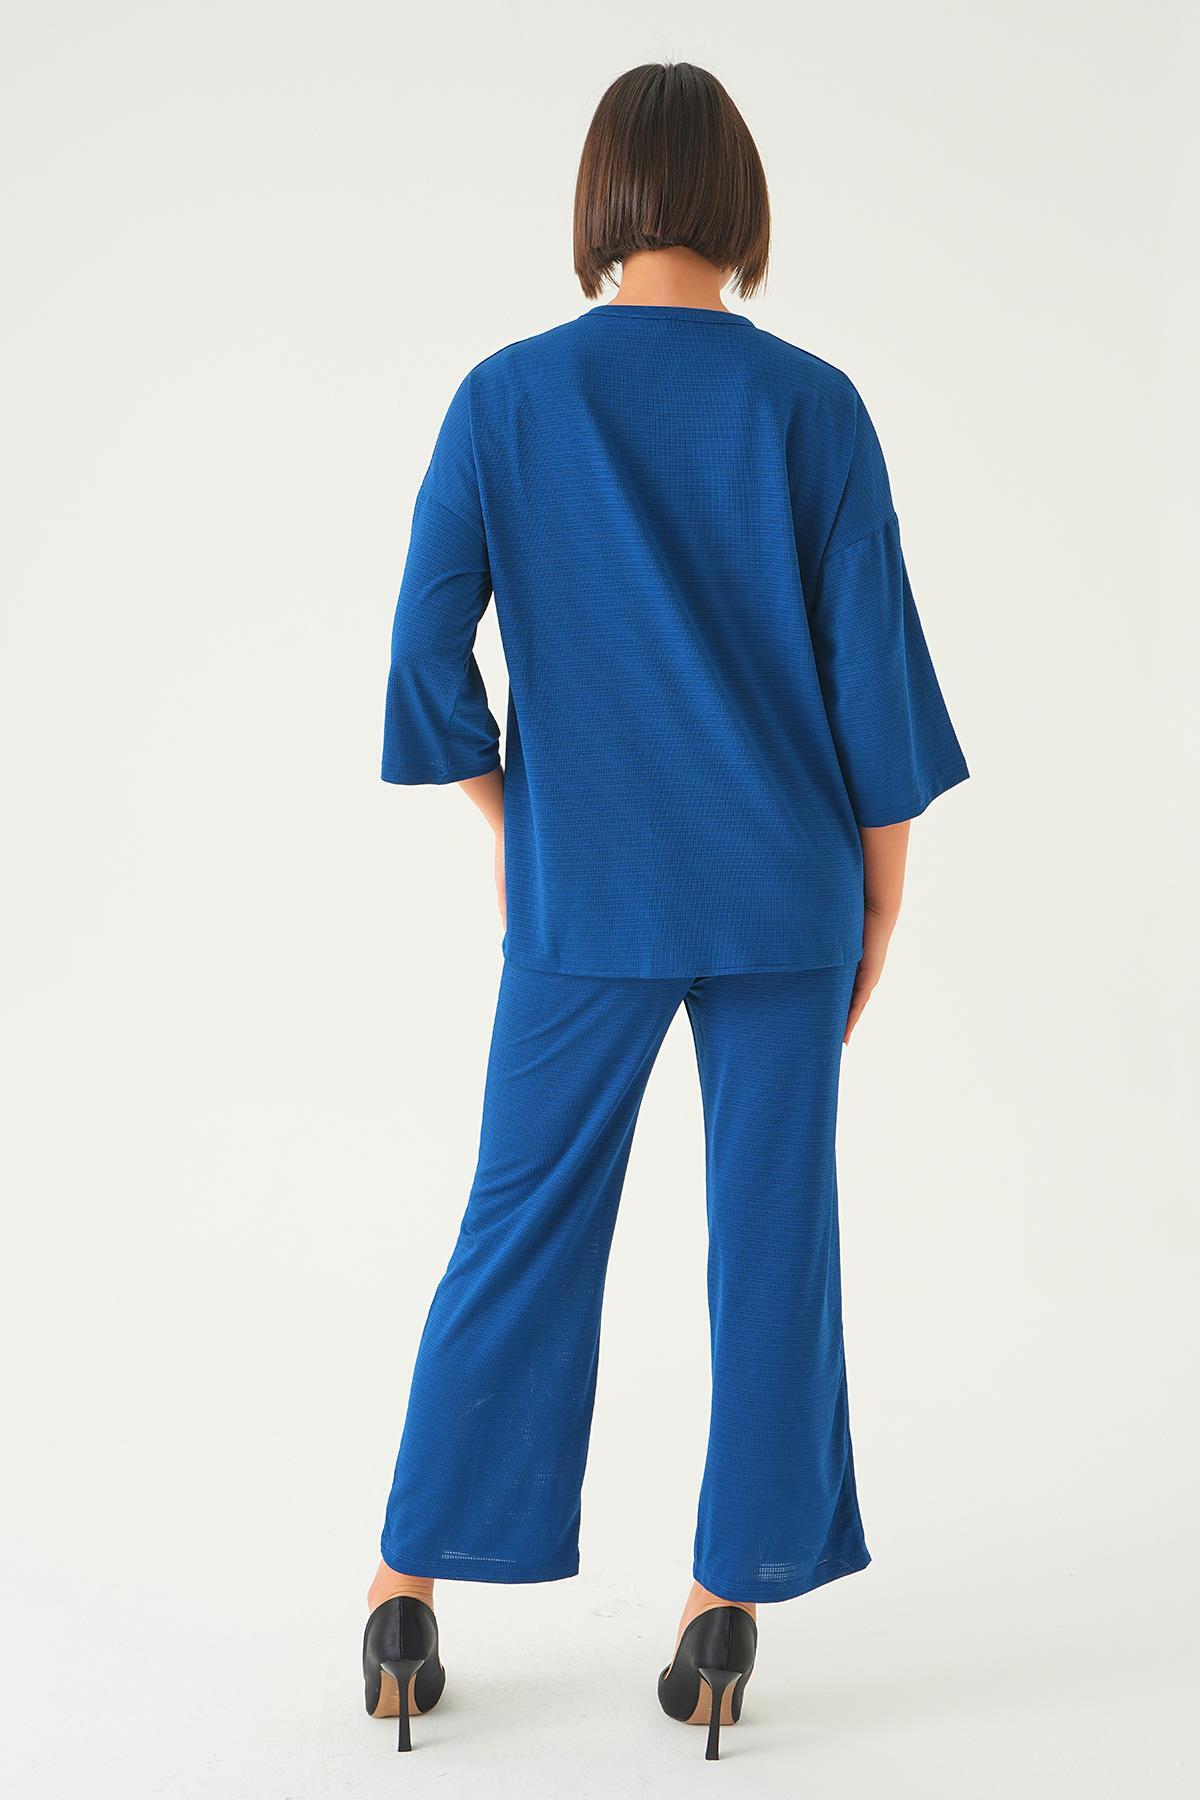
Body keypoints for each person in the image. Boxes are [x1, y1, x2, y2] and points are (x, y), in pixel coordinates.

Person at [363, 60, 968, 1760]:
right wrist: (880, 909)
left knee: (519, 1229)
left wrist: (517, 820)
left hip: (588, 896)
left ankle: (406, 1591)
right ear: (740, 204)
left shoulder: (507, 399)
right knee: (774, 1245)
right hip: (786, 896)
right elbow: (874, 691)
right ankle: (723, 1611)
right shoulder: (814, 407)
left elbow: (422, 654)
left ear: (600, 204)